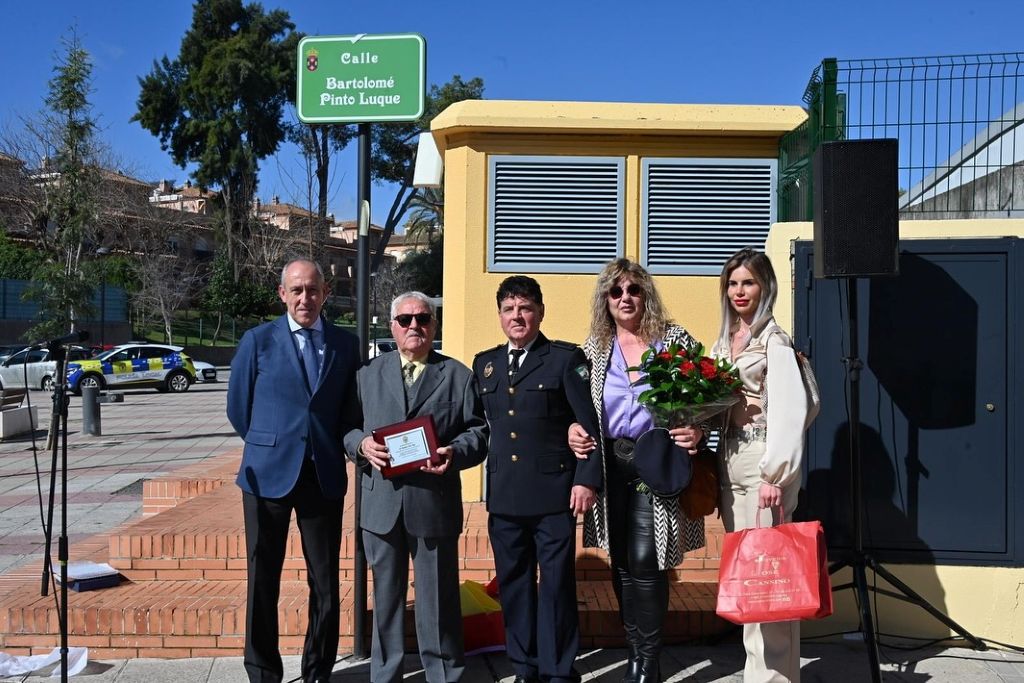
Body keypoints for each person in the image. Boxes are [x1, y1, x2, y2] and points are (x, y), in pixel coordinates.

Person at [569, 258, 705, 683]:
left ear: (646, 295)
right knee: (622, 559)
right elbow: (575, 407)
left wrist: (697, 428)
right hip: (610, 465)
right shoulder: (592, 349)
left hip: (656, 460)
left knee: (648, 559)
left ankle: (648, 662)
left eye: (633, 290)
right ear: (605, 300)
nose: (625, 298)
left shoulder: (674, 340)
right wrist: (572, 429)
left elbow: (707, 392)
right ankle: (635, 652)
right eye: (616, 292)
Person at [227, 258, 362, 683]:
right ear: (283, 294)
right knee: (262, 576)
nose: (306, 297)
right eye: (297, 290)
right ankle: (263, 670)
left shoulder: (346, 345)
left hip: (321, 475)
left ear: (325, 293)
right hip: (267, 474)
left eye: (313, 289)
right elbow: (239, 409)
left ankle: (318, 668)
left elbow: (349, 411)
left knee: (324, 579)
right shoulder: (257, 340)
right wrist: (273, 443)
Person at [343, 291, 488, 683]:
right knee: (386, 601)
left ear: (433, 324)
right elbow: (347, 426)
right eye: (405, 319)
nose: (414, 326)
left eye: (422, 318)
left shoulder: (458, 375)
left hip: (433, 503)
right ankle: (386, 674)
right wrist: (360, 444)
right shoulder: (367, 374)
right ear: (392, 325)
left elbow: (479, 432)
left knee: (437, 601)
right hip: (381, 507)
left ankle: (444, 674)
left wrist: (454, 454)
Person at [472, 276, 603, 683]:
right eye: (509, 309)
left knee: (557, 587)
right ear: (499, 316)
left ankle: (559, 669)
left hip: (553, 496)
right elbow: (478, 426)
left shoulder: (565, 359)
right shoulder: (485, 363)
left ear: (540, 312)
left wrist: (586, 481)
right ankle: (525, 666)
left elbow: (590, 426)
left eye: (525, 308)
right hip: (506, 496)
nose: (518, 316)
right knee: (513, 585)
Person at [711, 248, 809, 682]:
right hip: (729, 461)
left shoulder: (775, 341)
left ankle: (773, 678)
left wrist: (776, 474)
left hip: (763, 463)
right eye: (733, 283)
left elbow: (792, 409)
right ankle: (760, 674)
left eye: (747, 282)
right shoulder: (725, 339)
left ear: (765, 286)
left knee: (769, 582)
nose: (739, 291)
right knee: (750, 579)